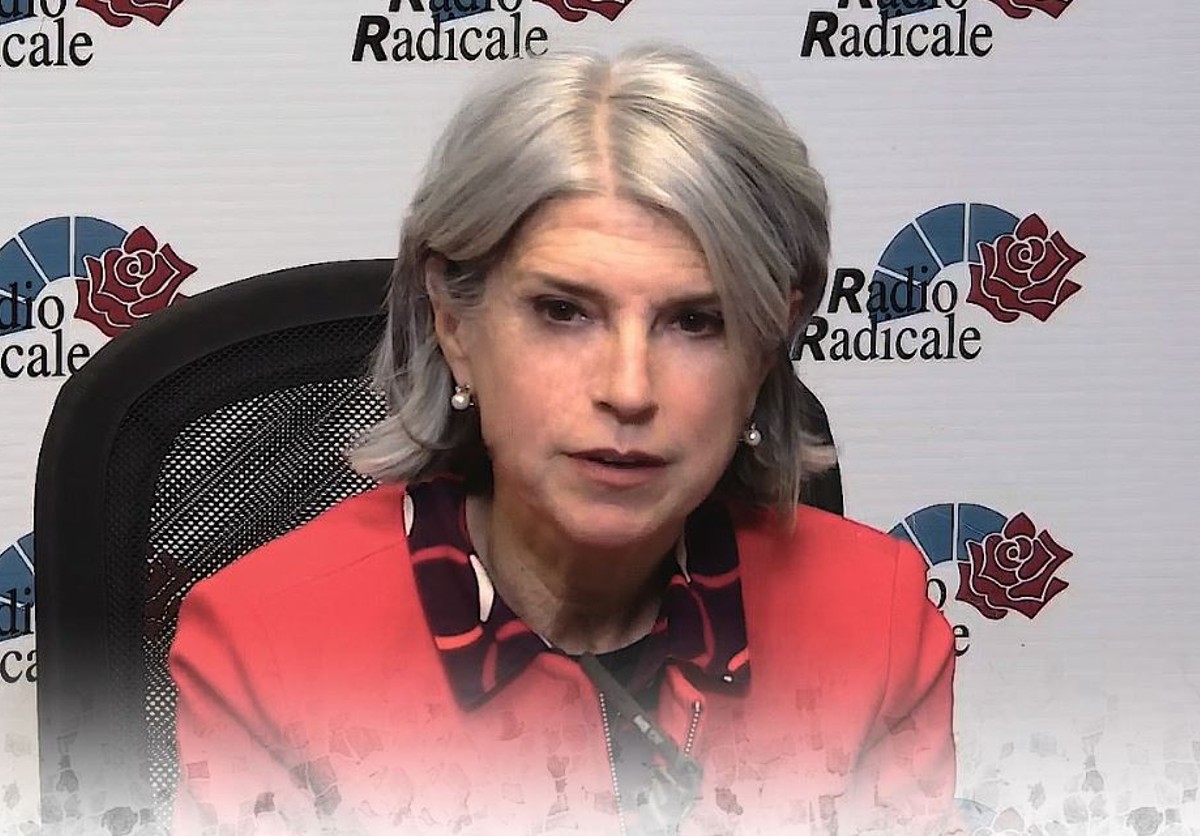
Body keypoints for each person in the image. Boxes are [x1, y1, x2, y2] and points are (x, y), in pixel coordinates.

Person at [169, 44, 958, 836]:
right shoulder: (266, 648)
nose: (629, 389)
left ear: (764, 347)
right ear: (455, 325)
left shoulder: (878, 621)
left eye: (696, 321)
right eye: (563, 312)